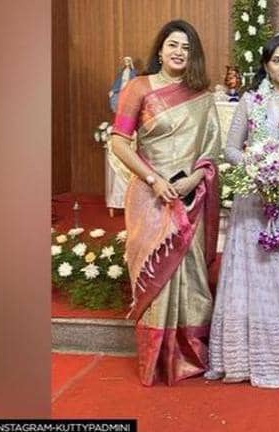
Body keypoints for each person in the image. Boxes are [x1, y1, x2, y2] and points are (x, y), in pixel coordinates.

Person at [206, 34, 279, 388]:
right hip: (254, 201)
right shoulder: (250, 100)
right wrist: (258, 166)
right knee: (256, 273)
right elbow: (230, 148)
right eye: (277, 61)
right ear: (265, 65)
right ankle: (246, 357)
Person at [110, 19, 220, 386]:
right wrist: (154, 180)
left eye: (186, 48)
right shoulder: (139, 87)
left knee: (191, 275)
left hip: (190, 197)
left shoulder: (202, 96)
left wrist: (194, 179)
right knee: (154, 269)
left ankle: (189, 355)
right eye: (173, 44)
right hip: (150, 195)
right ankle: (157, 358)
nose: (179, 52)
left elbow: (211, 150)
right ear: (160, 49)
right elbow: (119, 142)